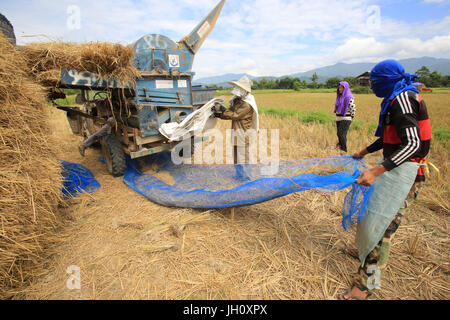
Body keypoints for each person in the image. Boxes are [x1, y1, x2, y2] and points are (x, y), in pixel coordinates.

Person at [341, 59, 431, 300]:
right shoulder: (396, 97)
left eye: (374, 82)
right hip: (394, 169)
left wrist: (375, 171)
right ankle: (363, 251)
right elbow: (391, 137)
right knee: (370, 216)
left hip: (406, 174)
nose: (371, 86)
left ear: (386, 81)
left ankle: (366, 287)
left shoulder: (402, 100)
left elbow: (413, 144)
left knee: (382, 229)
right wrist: (364, 151)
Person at [215, 75, 259, 180]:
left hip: (243, 134)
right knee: (236, 157)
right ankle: (239, 175)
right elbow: (230, 112)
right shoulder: (238, 100)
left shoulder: (247, 105)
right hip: (236, 133)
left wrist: (222, 110)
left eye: (239, 88)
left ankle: (247, 178)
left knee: (244, 157)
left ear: (244, 91)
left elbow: (234, 115)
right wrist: (219, 114)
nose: (236, 90)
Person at [334, 81, 356, 153]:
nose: (339, 89)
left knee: (340, 133)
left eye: (341, 88)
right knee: (341, 134)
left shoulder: (349, 97)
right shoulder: (339, 96)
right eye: (339, 87)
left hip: (346, 118)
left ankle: (343, 149)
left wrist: (352, 116)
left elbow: (353, 108)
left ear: (345, 88)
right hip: (339, 118)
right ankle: (341, 147)